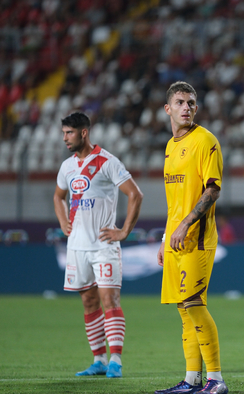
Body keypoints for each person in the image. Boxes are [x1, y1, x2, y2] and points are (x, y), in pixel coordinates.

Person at [53, 112, 143, 378]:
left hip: (104, 245)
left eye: (69, 133)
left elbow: (135, 194)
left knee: (109, 299)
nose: (65, 138)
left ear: (83, 133)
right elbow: (58, 196)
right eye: (63, 133)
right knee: (89, 302)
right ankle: (99, 360)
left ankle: (116, 360)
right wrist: (62, 222)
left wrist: (124, 231)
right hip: (77, 247)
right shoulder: (67, 167)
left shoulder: (107, 162)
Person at [155, 81, 228, 394]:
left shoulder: (206, 141)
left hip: (197, 237)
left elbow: (212, 188)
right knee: (183, 309)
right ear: (167, 109)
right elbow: (175, 200)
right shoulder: (171, 147)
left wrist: (186, 224)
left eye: (191, 103)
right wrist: (165, 236)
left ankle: (216, 379)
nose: (187, 108)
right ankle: (191, 380)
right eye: (180, 102)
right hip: (175, 238)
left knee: (193, 302)